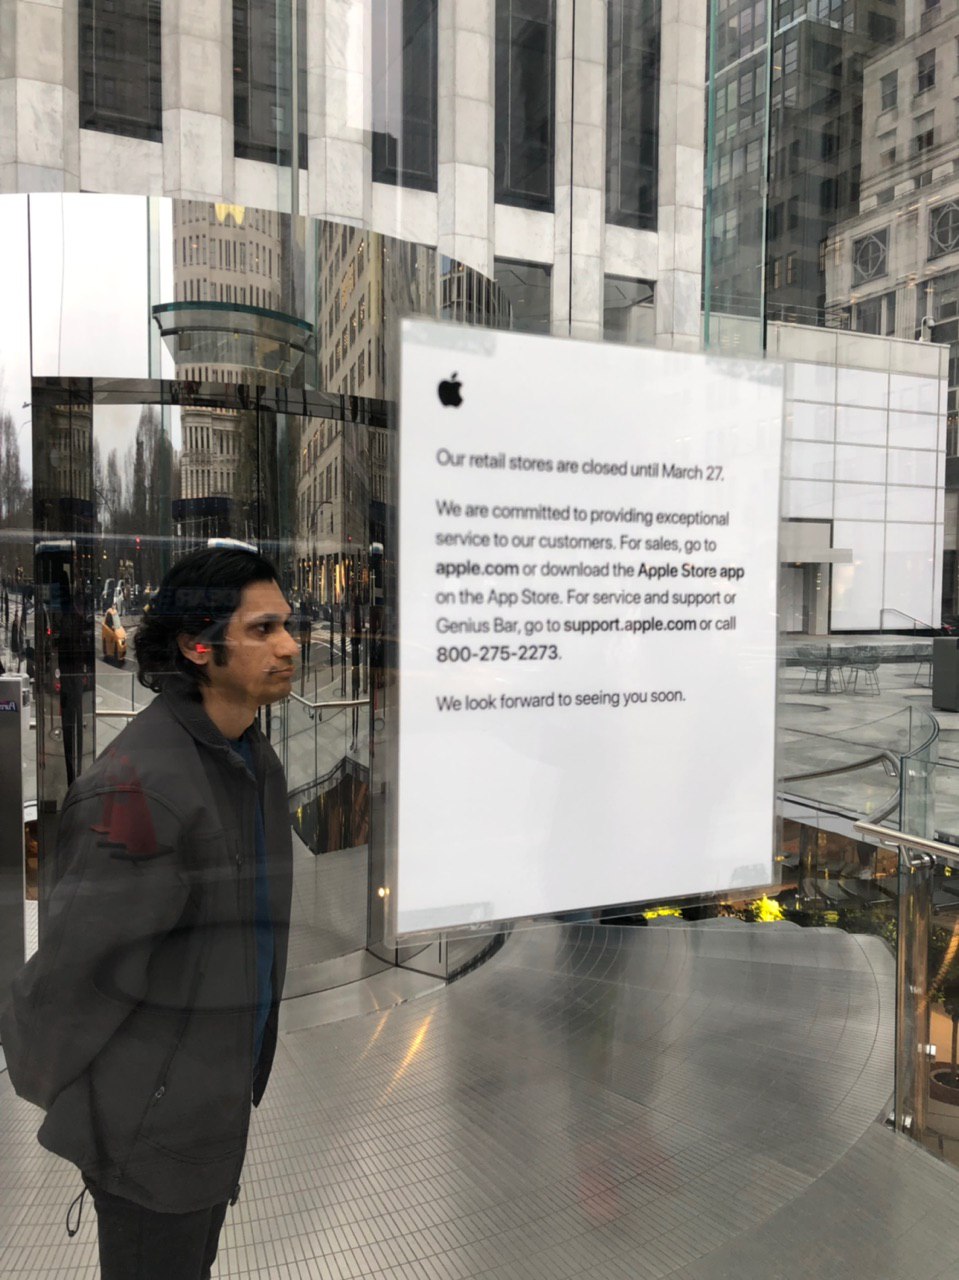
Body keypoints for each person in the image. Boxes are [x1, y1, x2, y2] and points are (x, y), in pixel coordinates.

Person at [1, 546, 300, 1280]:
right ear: (198, 646)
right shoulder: (139, 791)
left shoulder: (251, 761)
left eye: (287, 625)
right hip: (148, 1132)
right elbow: (74, 977)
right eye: (262, 630)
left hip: (210, 1103)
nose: (290, 646)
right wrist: (105, 1108)